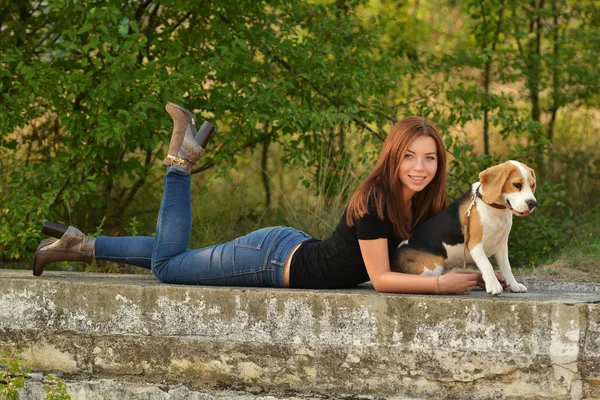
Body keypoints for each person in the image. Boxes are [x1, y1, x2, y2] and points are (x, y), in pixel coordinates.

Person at [33, 102, 489, 294]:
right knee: (169, 267)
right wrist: (437, 284)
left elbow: (430, 252)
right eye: (409, 155)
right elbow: (383, 278)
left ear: (439, 163)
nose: (419, 167)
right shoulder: (375, 200)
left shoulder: (421, 201)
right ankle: (180, 164)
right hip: (270, 262)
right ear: (393, 156)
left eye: (429, 158)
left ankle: (80, 244)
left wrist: (484, 271)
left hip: (288, 248)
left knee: (179, 254)